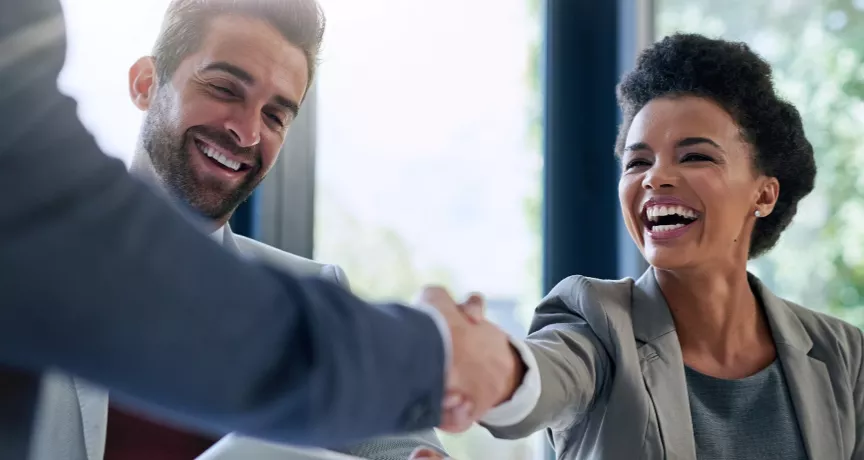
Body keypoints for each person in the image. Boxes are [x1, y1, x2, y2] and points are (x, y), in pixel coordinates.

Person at [0, 1, 524, 458]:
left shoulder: (319, 289)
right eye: (225, 87)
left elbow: (405, 450)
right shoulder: (41, 244)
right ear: (144, 83)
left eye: (276, 116)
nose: (246, 131)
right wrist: (437, 353)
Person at [479, 34, 863, 459]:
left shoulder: (841, 352)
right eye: (637, 162)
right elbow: (539, 377)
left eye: (695, 156)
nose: (654, 177)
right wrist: (481, 364)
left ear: (764, 195)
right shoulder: (597, 326)